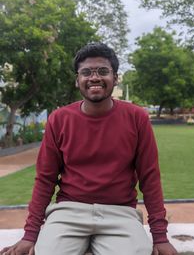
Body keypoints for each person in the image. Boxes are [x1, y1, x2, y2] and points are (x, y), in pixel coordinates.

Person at [0, 42, 178, 255]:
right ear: (78, 80)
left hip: (119, 213)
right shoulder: (59, 119)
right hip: (68, 212)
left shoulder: (136, 117)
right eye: (86, 72)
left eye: (103, 71)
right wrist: (30, 234)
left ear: (115, 78)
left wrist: (160, 237)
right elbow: (46, 179)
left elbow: (149, 177)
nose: (94, 77)